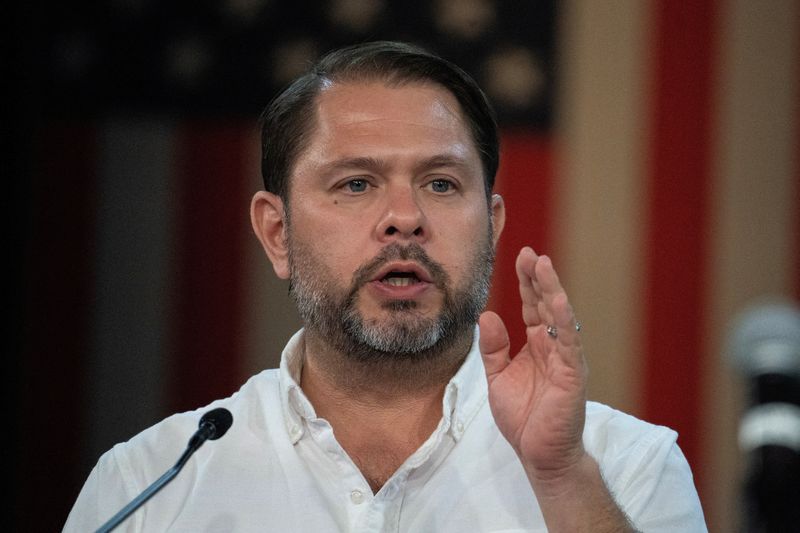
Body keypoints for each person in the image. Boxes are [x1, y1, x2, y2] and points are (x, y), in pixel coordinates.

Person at [64, 41, 707, 532]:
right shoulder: (148, 487)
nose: (406, 217)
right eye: (356, 183)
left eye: (441, 183)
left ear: (492, 225)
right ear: (277, 232)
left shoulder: (625, 468)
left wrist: (563, 482)